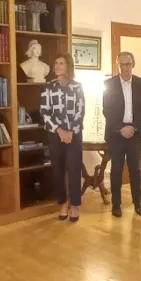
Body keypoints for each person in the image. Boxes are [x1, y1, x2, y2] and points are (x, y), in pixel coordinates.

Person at [103, 52, 141, 218]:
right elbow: (106, 109)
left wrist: (133, 128)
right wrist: (120, 128)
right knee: (116, 169)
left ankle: (138, 202)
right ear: (118, 65)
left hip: (135, 133)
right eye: (122, 64)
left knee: (135, 169)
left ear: (133, 64)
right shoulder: (109, 84)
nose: (125, 67)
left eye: (128, 64)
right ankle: (116, 205)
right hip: (116, 134)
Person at [40, 53, 85, 222]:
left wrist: (70, 131)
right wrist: (59, 131)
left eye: (61, 63)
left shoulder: (77, 87)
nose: (58, 66)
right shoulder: (48, 87)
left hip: (74, 134)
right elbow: (44, 112)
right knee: (58, 170)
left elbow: (80, 111)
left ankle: (75, 205)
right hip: (55, 134)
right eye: (56, 63)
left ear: (68, 67)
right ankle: (63, 203)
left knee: (74, 169)